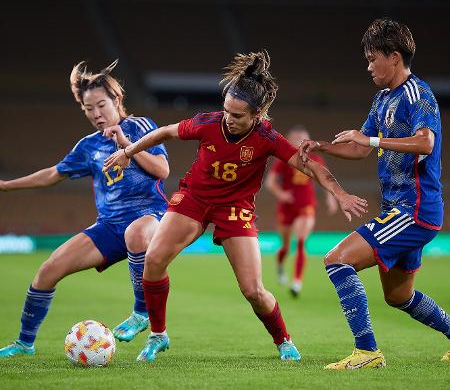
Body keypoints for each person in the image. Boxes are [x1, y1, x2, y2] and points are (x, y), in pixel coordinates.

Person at [103, 50, 368, 362]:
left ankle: (283, 340)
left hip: (235, 208)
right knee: (154, 259)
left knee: (253, 290)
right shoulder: (207, 123)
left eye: (237, 115)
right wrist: (129, 151)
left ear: (256, 115)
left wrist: (338, 192)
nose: (228, 118)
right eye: (226, 110)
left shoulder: (267, 137)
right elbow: (165, 132)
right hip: (194, 199)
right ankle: (158, 335)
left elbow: (309, 166)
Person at [299, 18, 449, 369]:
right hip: (402, 210)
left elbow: (425, 143)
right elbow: (360, 148)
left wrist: (371, 139)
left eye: (372, 58)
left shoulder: (418, 93)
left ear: (394, 57)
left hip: (414, 210)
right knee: (399, 295)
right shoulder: (382, 98)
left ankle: (367, 352)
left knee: (336, 260)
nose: (368, 67)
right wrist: (321, 146)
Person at [0, 60, 169, 358]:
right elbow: (54, 174)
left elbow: (162, 170)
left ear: (116, 101)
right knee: (48, 270)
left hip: (150, 216)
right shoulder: (88, 146)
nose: (96, 114)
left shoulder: (141, 127)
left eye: (101, 105)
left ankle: (140, 314)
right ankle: (24, 343)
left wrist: (126, 144)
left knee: (136, 233)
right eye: (88, 109)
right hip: (109, 226)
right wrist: (6, 186)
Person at [265, 125, 338, 296]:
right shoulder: (283, 160)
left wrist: (330, 198)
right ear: (289, 141)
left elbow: (325, 179)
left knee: (300, 242)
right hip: (287, 207)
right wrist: (281, 193)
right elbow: (270, 182)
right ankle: (281, 266)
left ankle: (297, 282)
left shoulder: (316, 159)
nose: (301, 142)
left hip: (306, 206)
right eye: (297, 139)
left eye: (304, 138)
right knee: (285, 245)